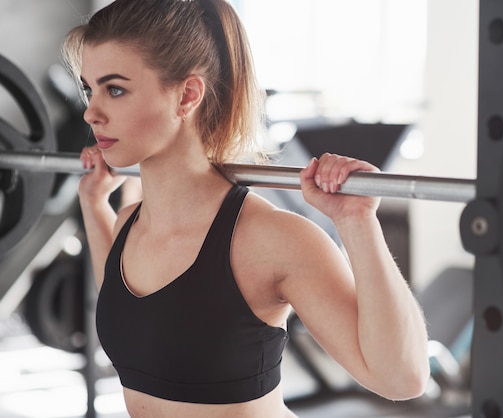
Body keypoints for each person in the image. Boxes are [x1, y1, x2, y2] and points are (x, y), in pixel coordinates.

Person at [65, 0, 430, 416]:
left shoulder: (273, 241)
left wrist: (356, 221)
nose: (91, 112)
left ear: (187, 96)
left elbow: (402, 378)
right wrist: (94, 204)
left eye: (115, 89)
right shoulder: (130, 225)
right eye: (88, 89)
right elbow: (135, 318)